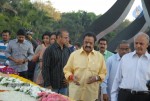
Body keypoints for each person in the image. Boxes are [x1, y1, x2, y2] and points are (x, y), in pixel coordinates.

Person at [63, 32, 107, 101]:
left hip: (90, 96)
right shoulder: (74, 55)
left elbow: (103, 73)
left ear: (94, 43)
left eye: (90, 43)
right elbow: (67, 70)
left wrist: (96, 78)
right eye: (86, 42)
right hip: (75, 94)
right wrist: (71, 77)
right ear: (83, 42)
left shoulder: (100, 57)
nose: (88, 45)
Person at [111, 32, 150, 101]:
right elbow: (117, 80)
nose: (138, 46)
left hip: (144, 97)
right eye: (136, 43)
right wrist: (113, 98)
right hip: (125, 96)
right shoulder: (125, 58)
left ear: (147, 45)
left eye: (141, 44)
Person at [42, 29, 70, 95]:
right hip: (52, 86)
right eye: (65, 37)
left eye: (68, 37)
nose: (68, 39)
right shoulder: (50, 50)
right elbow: (45, 68)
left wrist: (68, 79)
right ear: (59, 37)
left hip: (64, 86)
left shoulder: (67, 50)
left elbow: (69, 67)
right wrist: (48, 84)